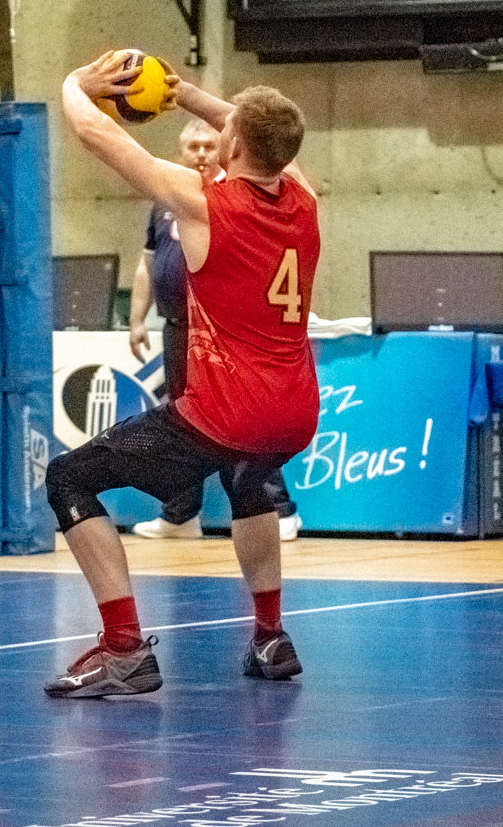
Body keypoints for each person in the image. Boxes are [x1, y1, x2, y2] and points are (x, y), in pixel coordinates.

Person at [45, 51, 318, 697]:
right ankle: (270, 635)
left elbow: (99, 135)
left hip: (225, 409)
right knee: (250, 479)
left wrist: (73, 85)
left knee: (70, 477)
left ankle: (123, 648)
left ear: (235, 145)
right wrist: (185, 94)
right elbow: (258, 128)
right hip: (295, 408)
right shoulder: (302, 196)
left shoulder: (204, 203)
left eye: (224, 132)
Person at [127, 119, 217, 540]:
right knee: (182, 419)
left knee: (235, 421)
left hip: (216, 332)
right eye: (192, 147)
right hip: (176, 326)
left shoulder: (227, 197)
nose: (200, 154)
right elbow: (147, 264)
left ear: (224, 150)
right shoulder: (163, 203)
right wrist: (136, 318)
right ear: (181, 152)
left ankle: (273, 508)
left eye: (208, 146)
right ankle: (181, 515)